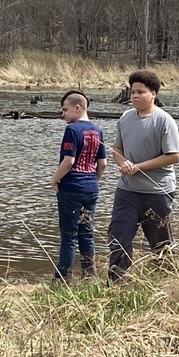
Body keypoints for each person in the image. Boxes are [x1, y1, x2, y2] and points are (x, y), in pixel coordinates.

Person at [107, 69, 179, 283]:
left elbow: (174, 156)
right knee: (118, 236)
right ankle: (118, 282)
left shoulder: (164, 121)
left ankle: (166, 281)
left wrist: (139, 167)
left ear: (153, 94)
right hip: (126, 190)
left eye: (140, 92)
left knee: (160, 242)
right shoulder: (125, 118)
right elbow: (116, 149)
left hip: (157, 191)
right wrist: (123, 163)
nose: (135, 96)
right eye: (132, 93)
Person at [50, 89, 107, 281]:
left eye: (65, 110)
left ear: (77, 107)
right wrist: (93, 181)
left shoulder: (72, 130)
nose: (63, 114)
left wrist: (55, 179)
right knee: (86, 233)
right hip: (90, 188)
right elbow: (103, 163)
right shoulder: (97, 130)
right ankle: (89, 276)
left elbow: (68, 161)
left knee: (69, 235)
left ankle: (62, 279)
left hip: (71, 188)